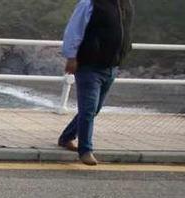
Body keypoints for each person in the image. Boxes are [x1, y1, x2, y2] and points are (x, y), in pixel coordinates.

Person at [57, 0, 134, 165]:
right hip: (89, 65)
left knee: (94, 108)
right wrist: (71, 57)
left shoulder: (125, 4)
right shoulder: (90, 3)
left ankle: (66, 137)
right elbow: (74, 30)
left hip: (111, 66)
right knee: (89, 109)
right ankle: (85, 150)